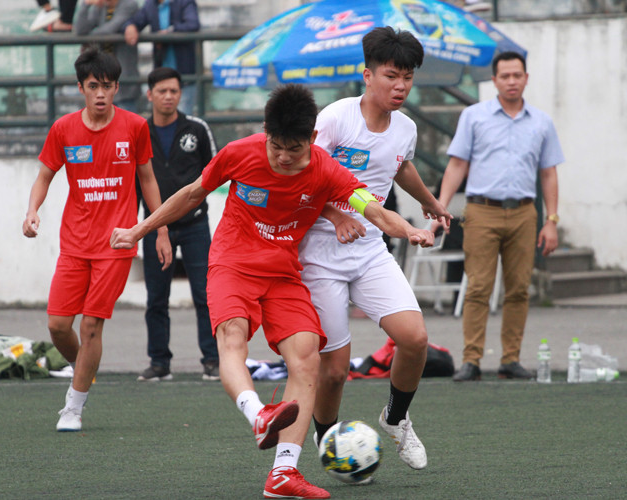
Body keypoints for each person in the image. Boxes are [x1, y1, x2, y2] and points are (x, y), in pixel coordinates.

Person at [110, 83, 435, 499]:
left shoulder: (327, 169)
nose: (283, 157)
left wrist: (409, 229)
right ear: (265, 131)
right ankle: (257, 414)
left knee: (306, 358)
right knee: (232, 339)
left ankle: (283, 472)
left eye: (293, 149)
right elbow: (192, 194)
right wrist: (139, 229)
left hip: (283, 271)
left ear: (312, 138)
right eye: (276, 146)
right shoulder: (238, 153)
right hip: (232, 263)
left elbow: (372, 209)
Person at [296, 26, 451, 471]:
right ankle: (330, 441)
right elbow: (303, 174)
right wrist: (335, 215)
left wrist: (430, 202)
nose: (400, 86)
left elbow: (400, 166)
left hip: (369, 250)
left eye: (408, 77)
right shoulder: (336, 118)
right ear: (368, 75)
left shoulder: (406, 127)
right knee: (334, 371)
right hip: (319, 254)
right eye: (391, 76)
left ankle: (396, 419)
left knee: (415, 339)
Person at [22, 48, 172, 432]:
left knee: (91, 325)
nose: (100, 93)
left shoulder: (135, 126)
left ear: (117, 88)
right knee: (58, 326)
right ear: (81, 88)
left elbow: (147, 179)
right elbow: (44, 176)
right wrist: (32, 210)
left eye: (107, 86)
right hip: (74, 242)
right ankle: (84, 369)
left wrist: (160, 230)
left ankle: (73, 407)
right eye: (93, 86)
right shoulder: (63, 129)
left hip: (117, 243)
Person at [433, 51, 564, 382]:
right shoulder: (474, 117)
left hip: (524, 213)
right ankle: (471, 360)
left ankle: (511, 359)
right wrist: (440, 208)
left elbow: (548, 172)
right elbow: (457, 164)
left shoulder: (542, 122)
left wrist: (551, 220)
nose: (511, 81)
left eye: (517, 75)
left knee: (519, 288)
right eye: (505, 76)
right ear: (494, 80)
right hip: (482, 211)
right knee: (478, 286)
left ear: (526, 78)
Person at [136, 67, 219, 382]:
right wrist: (140, 227)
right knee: (156, 297)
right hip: (155, 227)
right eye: (162, 91)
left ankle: (212, 360)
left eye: (173, 91)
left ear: (180, 93)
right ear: (150, 95)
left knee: (205, 294)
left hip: (196, 225)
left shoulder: (197, 129)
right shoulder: (139, 131)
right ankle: (159, 362)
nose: (168, 97)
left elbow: (215, 172)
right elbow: (135, 182)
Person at [123, 0, 199, 115]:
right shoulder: (151, 4)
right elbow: (135, 21)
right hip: (161, 77)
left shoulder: (184, 2)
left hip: (184, 76)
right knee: (162, 119)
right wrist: (130, 26)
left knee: (183, 118)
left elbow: (193, 24)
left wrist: (170, 32)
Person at [74, 0, 141, 113]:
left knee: (126, 120)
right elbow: (80, 30)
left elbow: (110, 29)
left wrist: (88, 39)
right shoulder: (100, 7)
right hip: (101, 78)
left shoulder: (129, 5)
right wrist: (85, 5)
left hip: (124, 79)